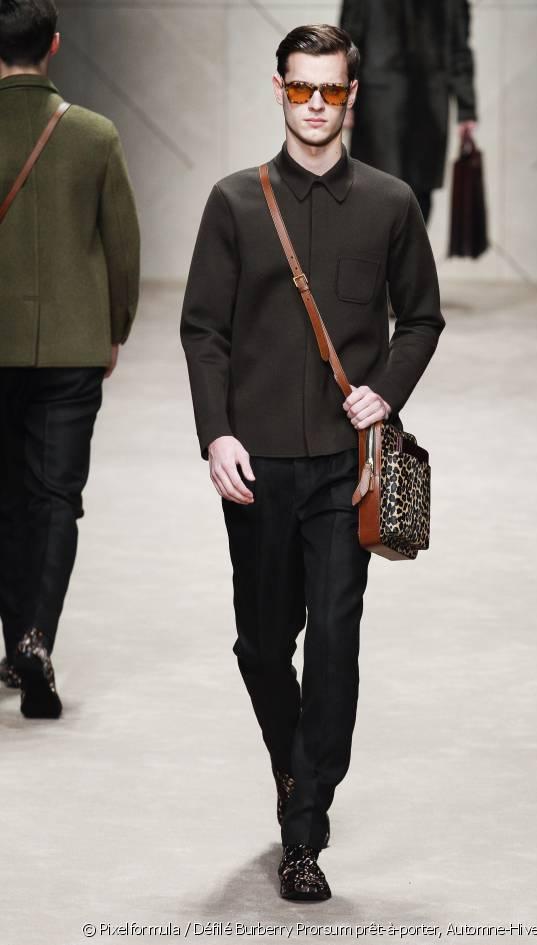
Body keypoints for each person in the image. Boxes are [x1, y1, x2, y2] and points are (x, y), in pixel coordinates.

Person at [181, 24, 444, 901]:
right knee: (263, 644)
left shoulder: (390, 203)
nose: (317, 104)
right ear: (279, 89)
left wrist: (386, 392)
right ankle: (293, 766)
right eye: (302, 88)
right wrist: (215, 433)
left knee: (334, 640)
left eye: (332, 89)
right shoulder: (233, 202)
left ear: (353, 94)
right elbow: (203, 329)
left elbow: (422, 317)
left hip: (345, 465)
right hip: (255, 462)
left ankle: (305, 827)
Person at [0, 0, 140, 718]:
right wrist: (114, 329)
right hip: (73, 347)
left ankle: (14, 644)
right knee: (56, 499)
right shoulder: (94, 134)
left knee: (4, 499)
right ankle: (35, 639)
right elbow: (122, 247)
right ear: (53, 45)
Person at [340, 0, 477, 223]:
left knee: (412, 193)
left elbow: (348, 43)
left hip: (406, 101)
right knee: (383, 190)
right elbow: (347, 44)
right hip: (390, 102)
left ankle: (404, 246)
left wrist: (467, 108)